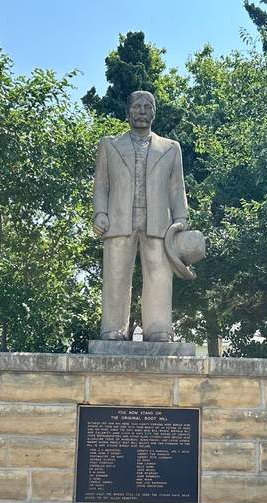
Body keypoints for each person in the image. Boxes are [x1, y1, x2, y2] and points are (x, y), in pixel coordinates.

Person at [92, 90, 189, 342]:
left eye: (148, 106)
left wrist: (181, 219)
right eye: (137, 106)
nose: (142, 111)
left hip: (159, 221)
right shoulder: (109, 144)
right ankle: (113, 328)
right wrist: (100, 212)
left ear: (154, 113)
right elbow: (101, 184)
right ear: (128, 111)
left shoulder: (170, 148)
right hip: (118, 219)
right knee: (116, 274)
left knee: (159, 274)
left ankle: (158, 327)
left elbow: (177, 187)